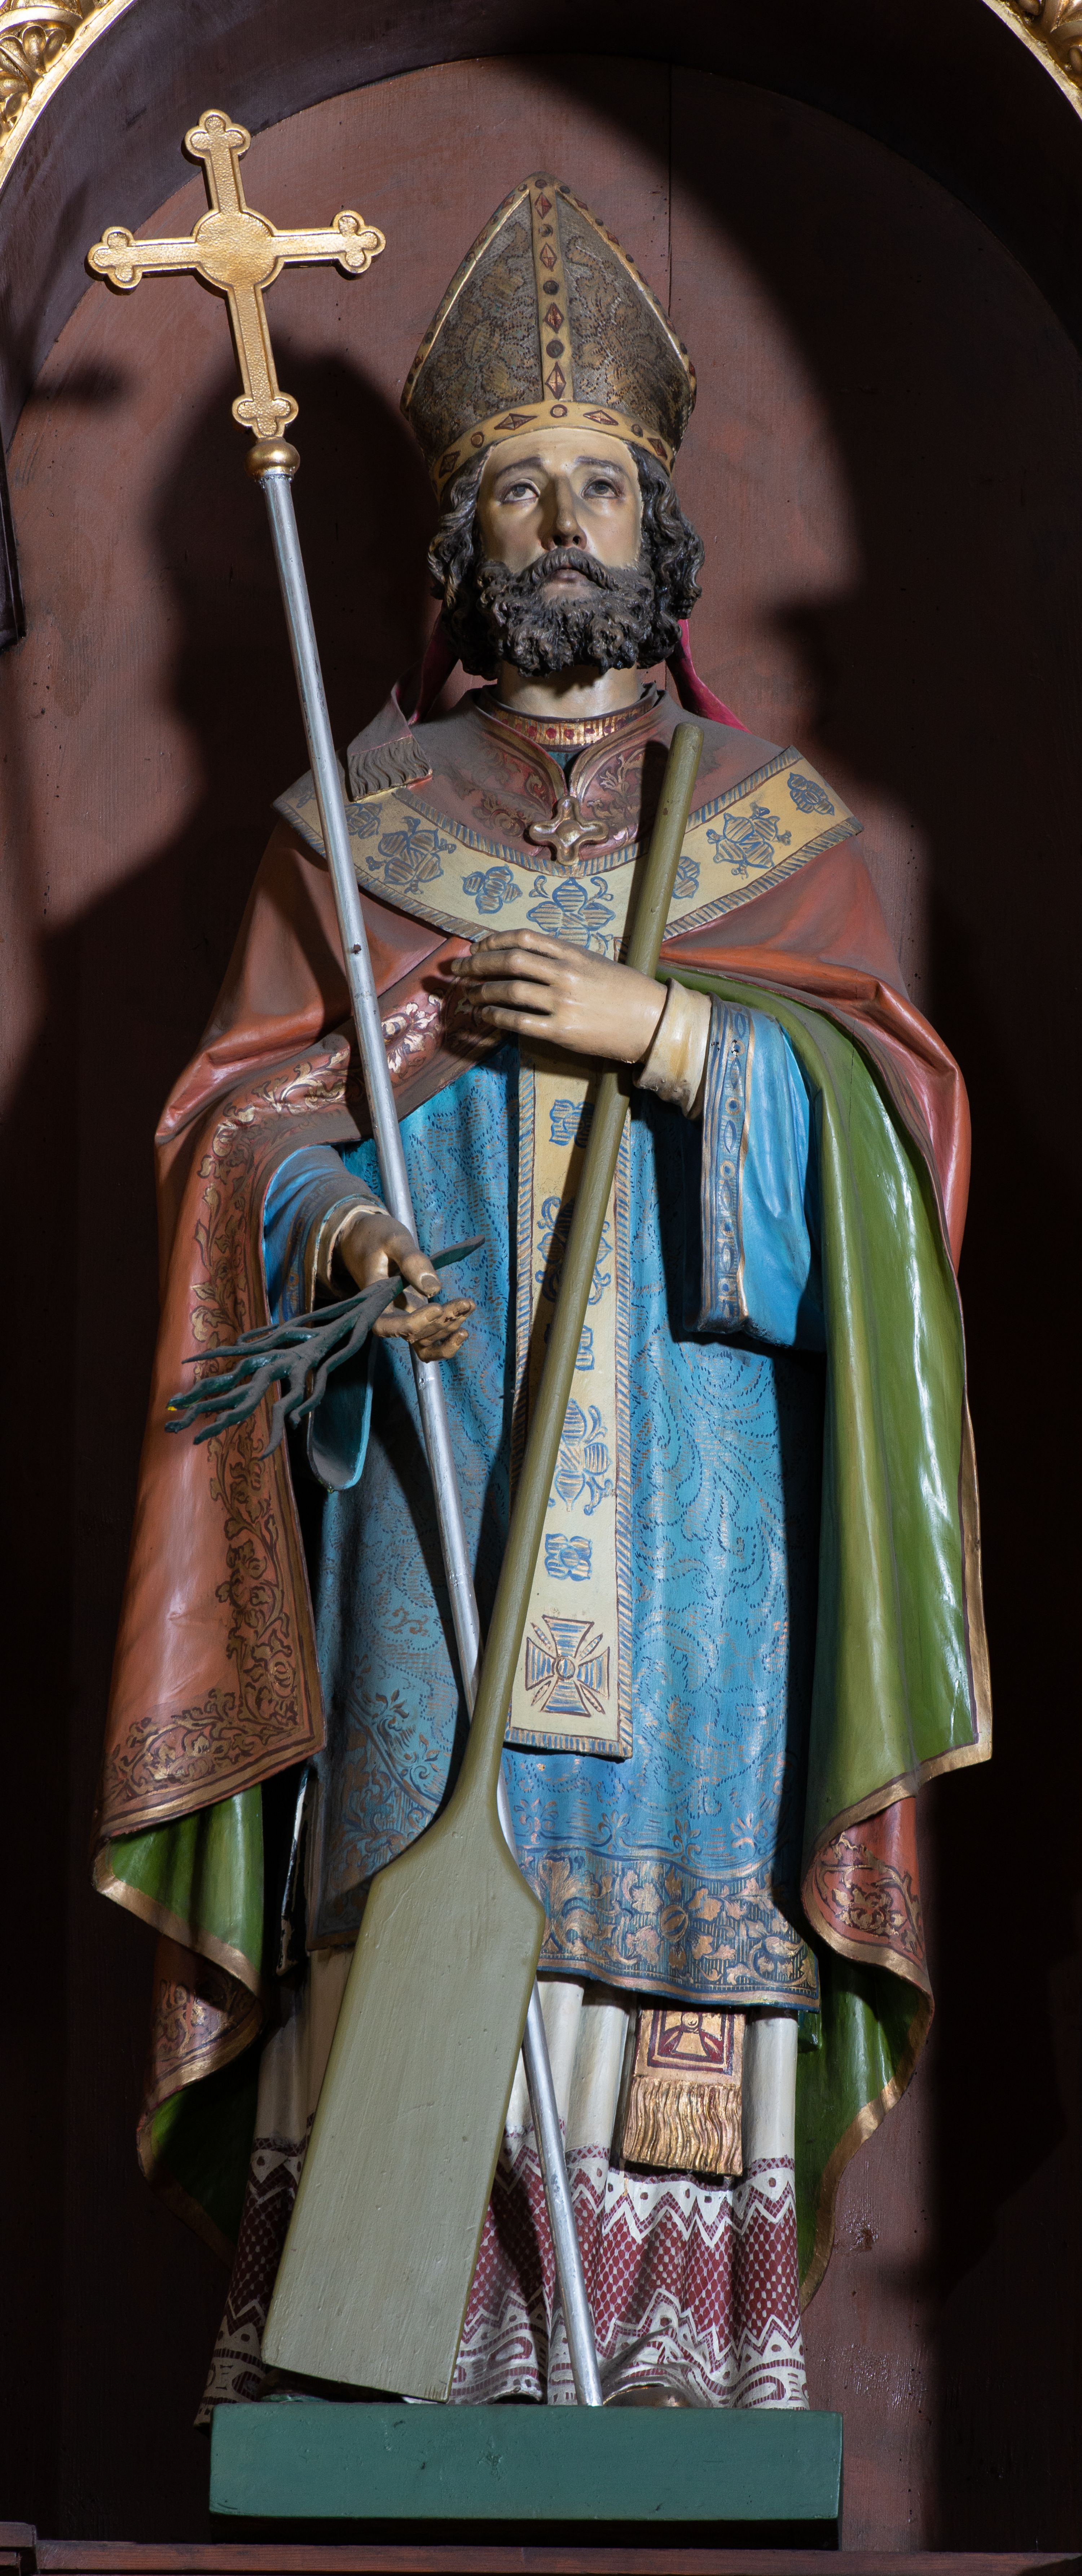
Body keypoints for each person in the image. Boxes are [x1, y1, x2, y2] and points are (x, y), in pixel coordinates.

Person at [94, 174, 989, 2413]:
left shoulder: (771, 824)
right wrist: (338, 1234)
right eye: (521, 487)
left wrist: (668, 1033)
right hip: (435, 1443)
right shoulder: (356, 819)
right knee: (418, 1831)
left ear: (660, 530)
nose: (565, 521)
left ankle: (668, 2367)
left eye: (600, 483)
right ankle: (388, 2348)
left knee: (675, 1870)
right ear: (460, 541)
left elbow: (893, 1162)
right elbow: (237, 1125)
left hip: (702, 1495)